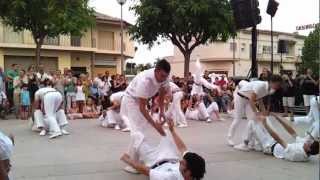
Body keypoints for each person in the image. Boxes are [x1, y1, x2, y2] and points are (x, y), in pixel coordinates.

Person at [120, 59, 171, 173]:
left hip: (141, 100)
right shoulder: (145, 80)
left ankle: (131, 158)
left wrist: (162, 111)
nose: (164, 78)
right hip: (131, 99)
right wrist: (155, 126)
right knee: (137, 130)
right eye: (162, 75)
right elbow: (142, 108)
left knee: (140, 130)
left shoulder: (165, 77)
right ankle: (132, 164)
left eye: (165, 76)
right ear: (156, 71)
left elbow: (162, 95)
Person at [121, 118, 206, 180]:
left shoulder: (171, 177)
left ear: (188, 173)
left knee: (137, 136)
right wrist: (172, 130)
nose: (180, 161)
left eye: (183, 163)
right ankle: (162, 130)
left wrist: (128, 160)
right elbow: (183, 148)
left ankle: (130, 167)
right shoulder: (192, 167)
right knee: (169, 133)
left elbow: (146, 171)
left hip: (153, 161)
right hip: (169, 156)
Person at [227, 75, 283, 148]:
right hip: (240, 97)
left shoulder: (270, 90)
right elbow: (252, 100)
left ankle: (250, 141)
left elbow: (260, 100)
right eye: (277, 84)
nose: (278, 87)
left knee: (252, 120)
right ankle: (229, 138)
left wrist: (264, 112)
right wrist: (256, 112)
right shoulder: (261, 86)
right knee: (238, 118)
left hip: (248, 99)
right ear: (271, 82)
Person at [244, 113, 319, 162]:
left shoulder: (296, 152)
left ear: (309, 148)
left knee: (253, 122)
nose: (307, 141)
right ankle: (252, 143)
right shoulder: (306, 149)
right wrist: (278, 118)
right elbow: (292, 133)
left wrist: (265, 124)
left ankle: (246, 143)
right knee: (265, 118)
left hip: (268, 146)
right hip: (274, 142)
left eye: (309, 143)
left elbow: (279, 139)